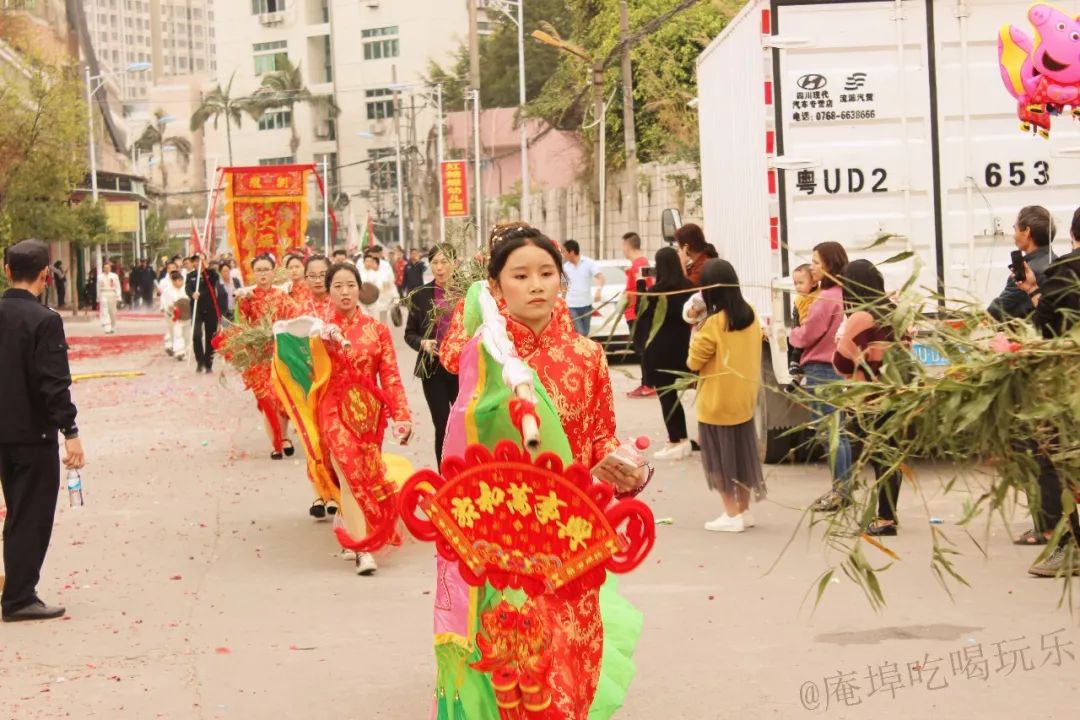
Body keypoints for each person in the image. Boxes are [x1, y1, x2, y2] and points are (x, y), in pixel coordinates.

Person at [429, 224, 647, 719]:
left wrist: (626, 468)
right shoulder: (482, 357)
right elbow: (451, 362)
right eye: (520, 275)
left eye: (547, 273)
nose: (535, 285)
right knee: (517, 671)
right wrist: (481, 322)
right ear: (496, 285)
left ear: (562, 281)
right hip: (502, 540)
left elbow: (599, 437)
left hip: (567, 535)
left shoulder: (587, 357)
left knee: (574, 661)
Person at [0, 240, 85, 622]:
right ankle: (19, 597)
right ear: (45, 275)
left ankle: (15, 587)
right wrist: (70, 430)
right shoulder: (44, 320)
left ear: (6, 271)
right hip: (31, 434)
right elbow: (54, 382)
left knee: (17, 512)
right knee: (30, 514)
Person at [318, 262, 412, 575]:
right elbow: (309, 376)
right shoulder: (318, 331)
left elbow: (391, 376)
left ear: (360, 288)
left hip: (370, 417)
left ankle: (350, 529)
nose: (344, 292)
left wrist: (401, 415)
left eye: (350, 285)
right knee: (348, 472)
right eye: (337, 286)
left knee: (365, 475)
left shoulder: (378, 330)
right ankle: (363, 550)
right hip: (333, 410)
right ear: (328, 291)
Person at [1017, 205, 1080, 576]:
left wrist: (1036, 294)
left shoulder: (1065, 271)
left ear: (1073, 233)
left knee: (1057, 462)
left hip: (1068, 384)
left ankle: (1067, 547)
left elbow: (1044, 329)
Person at [687, 259, 764, 533]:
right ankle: (743, 511)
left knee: (720, 461)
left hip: (717, 402)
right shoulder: (751, 314)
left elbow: (693, 362)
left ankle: (731, 515)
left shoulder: (712, 324)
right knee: (742, 457)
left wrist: (696, 327)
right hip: (743, 398)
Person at [832, 259, 906, 537]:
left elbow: (842, 361)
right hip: (896, 394)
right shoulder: (892, 311)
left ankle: (885, 519)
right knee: (890, 455)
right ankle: (888, 514)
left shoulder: (861, 317)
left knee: (878, 456)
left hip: (870, 397)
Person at [789, 241, 853, 513]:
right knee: (839, 432)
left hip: (822, 368)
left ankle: (841, 491)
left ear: (829, 265)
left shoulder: (826, 298)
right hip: (835, 368)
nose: (812, 268)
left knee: (832, 433)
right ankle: (843, 488)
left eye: (816, 262)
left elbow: (808, 333)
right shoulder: (842, 293)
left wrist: (791, 335)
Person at [234, 254, 298, 459]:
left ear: (273, 271)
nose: (262, 273)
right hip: (258, 355)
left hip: (280, 352)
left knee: (281, 398)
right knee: (267, 399)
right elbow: (242, 325)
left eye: (266, 269)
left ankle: (284, 436)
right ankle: (277, 443)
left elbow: (294, 319)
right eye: (259, 270)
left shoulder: (282, 296)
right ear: (254, 273)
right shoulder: (247, 297)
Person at [636, 247, 696, 460]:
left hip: (659, 349)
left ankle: (676, 440)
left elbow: (641, 317)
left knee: (667, 396)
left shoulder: (655, 292)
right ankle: (683, 439)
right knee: (676, 396)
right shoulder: (689, 288)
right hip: (683, 347)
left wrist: (640, 287)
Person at [403, 244, 459, 467]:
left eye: (444, 262)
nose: (440, 268)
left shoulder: (466, 294)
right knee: (442, 424)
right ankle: (445, 475)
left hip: (461, 370)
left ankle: (465, 471)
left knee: (462, 423)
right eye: (435, 263)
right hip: (433, 369)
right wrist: (423, 343)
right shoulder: (421, 296)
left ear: (455, 263)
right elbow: (409, 333)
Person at [988, 205, 1056, 321]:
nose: (1014, 236)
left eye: (1015, 229)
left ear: (1027, 232)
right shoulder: (1057, 262)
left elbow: (996, 312)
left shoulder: (1026, 274)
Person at [623, 231, 656, 398]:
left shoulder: (639, 264)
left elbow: (644, 289)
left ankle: (648, 384)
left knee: (643, 349)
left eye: (623, 246)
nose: (623, 249)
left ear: (628, 245)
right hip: (636, 312)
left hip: (637, 313)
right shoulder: (642, 263)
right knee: (642, 349)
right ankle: (646, 382)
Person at [185, 256, 222, 374]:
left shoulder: (210, 274)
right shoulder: (190, 276)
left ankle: (208, 363)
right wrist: (192, 294)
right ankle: (199, 361)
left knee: (210, 337)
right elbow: (187, 288)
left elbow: (215, 278)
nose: (197, 263)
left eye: (199, 260)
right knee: (196, 335)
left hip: (210, 309)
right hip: (197, 310)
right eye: (195, 261)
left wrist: (207, 268)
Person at [561, 239, 603, 336]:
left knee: (585, 333)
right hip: (571, 306)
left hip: (586, 305)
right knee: (581, 333)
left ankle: (582, 350)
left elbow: (600, 277)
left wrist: (599, 290)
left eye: (564, 252)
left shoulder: (589, 263)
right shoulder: (565, 268)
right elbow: (563, 285)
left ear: (571, 252)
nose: (563, 254)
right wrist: (562, 300)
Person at [787, 263, 819, 382]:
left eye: (801, 283)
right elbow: (795, 316)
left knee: (800, 353)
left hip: (812, 331)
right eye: (795, 283)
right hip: (802, 331)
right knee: (796, 348)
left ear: (814, 283)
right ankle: (796, 377)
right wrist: (795, 329)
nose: (797, 287)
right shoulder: (798, 300)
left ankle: (796, 376)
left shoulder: (820, 296)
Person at [160, 271, 189, 361]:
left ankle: (185, 351)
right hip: (175, 316)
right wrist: (169, 307)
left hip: (187, 316)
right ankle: (179, 352)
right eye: (174, 281)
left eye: (179, 281)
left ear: (182, 280)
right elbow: (165, 302)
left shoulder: (187, 289)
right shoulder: (168, 291)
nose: (177, 283)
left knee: (187, 335)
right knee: (178, 334)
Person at [360, 251, 395, 324]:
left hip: (373, 301)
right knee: (363, 319)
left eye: (370, 261)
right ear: (363, 262)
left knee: (374, 320)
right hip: (361, 301)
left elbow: (379, 287)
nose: (368, 263)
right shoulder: (359, 273)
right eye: (367, 261)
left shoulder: (375, 274)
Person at [97, 261, 122, 334]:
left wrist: (119, 296)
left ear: (110, 268)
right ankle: (107, 328)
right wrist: (98, 298)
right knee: (104, 311)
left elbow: (118, 286)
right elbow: (98, 287)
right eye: (105, 268)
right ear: (103, 268)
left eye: (108, 268)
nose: (107, 269)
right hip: (103, 293)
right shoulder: (100, 277)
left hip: (112, 293)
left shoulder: (114, 276)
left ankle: (113, 326)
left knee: (112, 312)